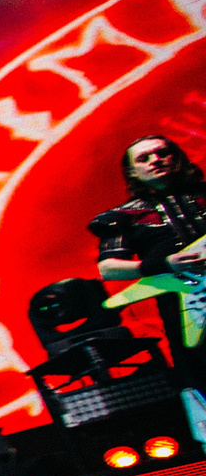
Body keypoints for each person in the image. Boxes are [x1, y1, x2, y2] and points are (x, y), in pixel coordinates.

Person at [92, 134, 206, 390]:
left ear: (177, 159)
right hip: (187, 309)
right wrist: (164, 264)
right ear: (132, 171)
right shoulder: (123, 217)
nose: (156, 160)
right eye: (144, 158)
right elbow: (108, 268)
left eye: (162, 153)